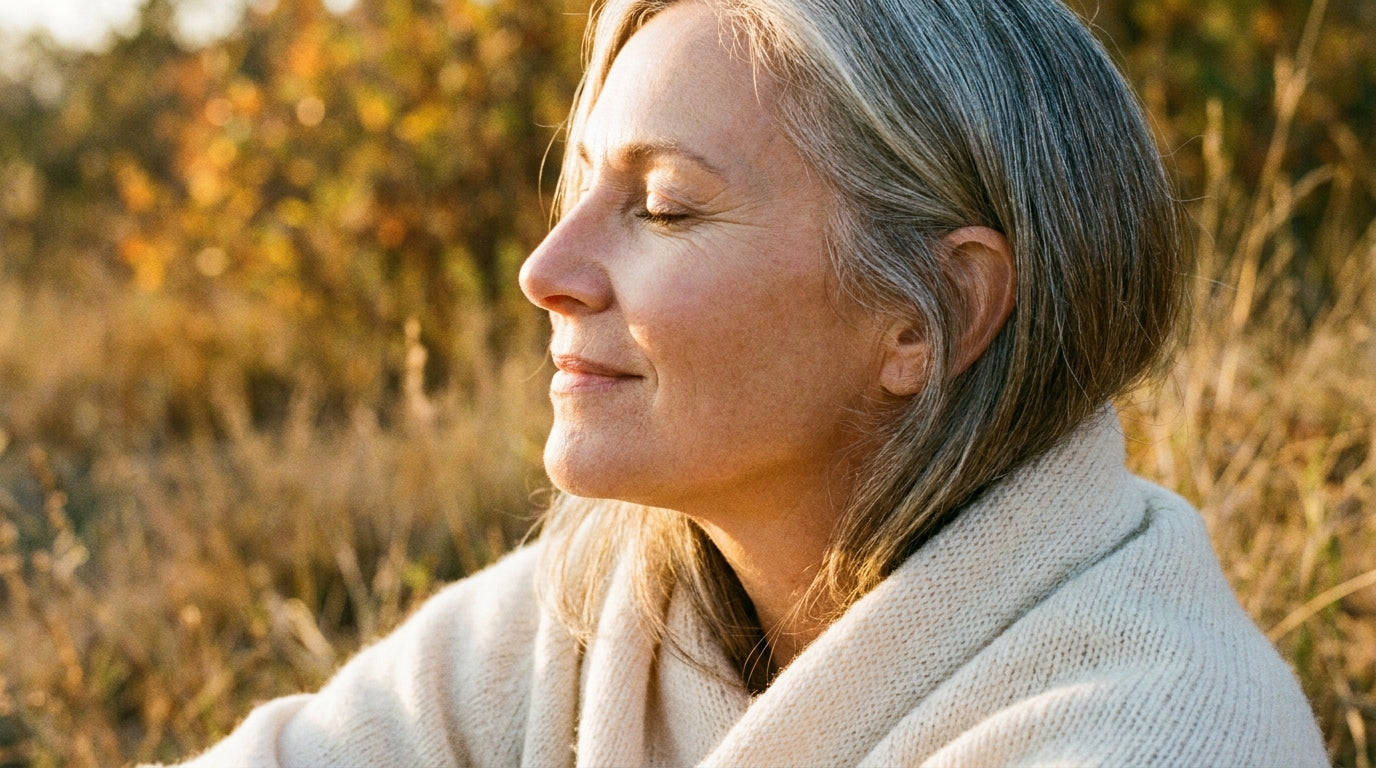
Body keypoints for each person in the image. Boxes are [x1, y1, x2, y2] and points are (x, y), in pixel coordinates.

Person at [154, 0, 1328, 765]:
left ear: (932, 315)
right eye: (581, 196)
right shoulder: (601, 605)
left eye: (663, 207)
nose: (544, 271)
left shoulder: (1154, 733)